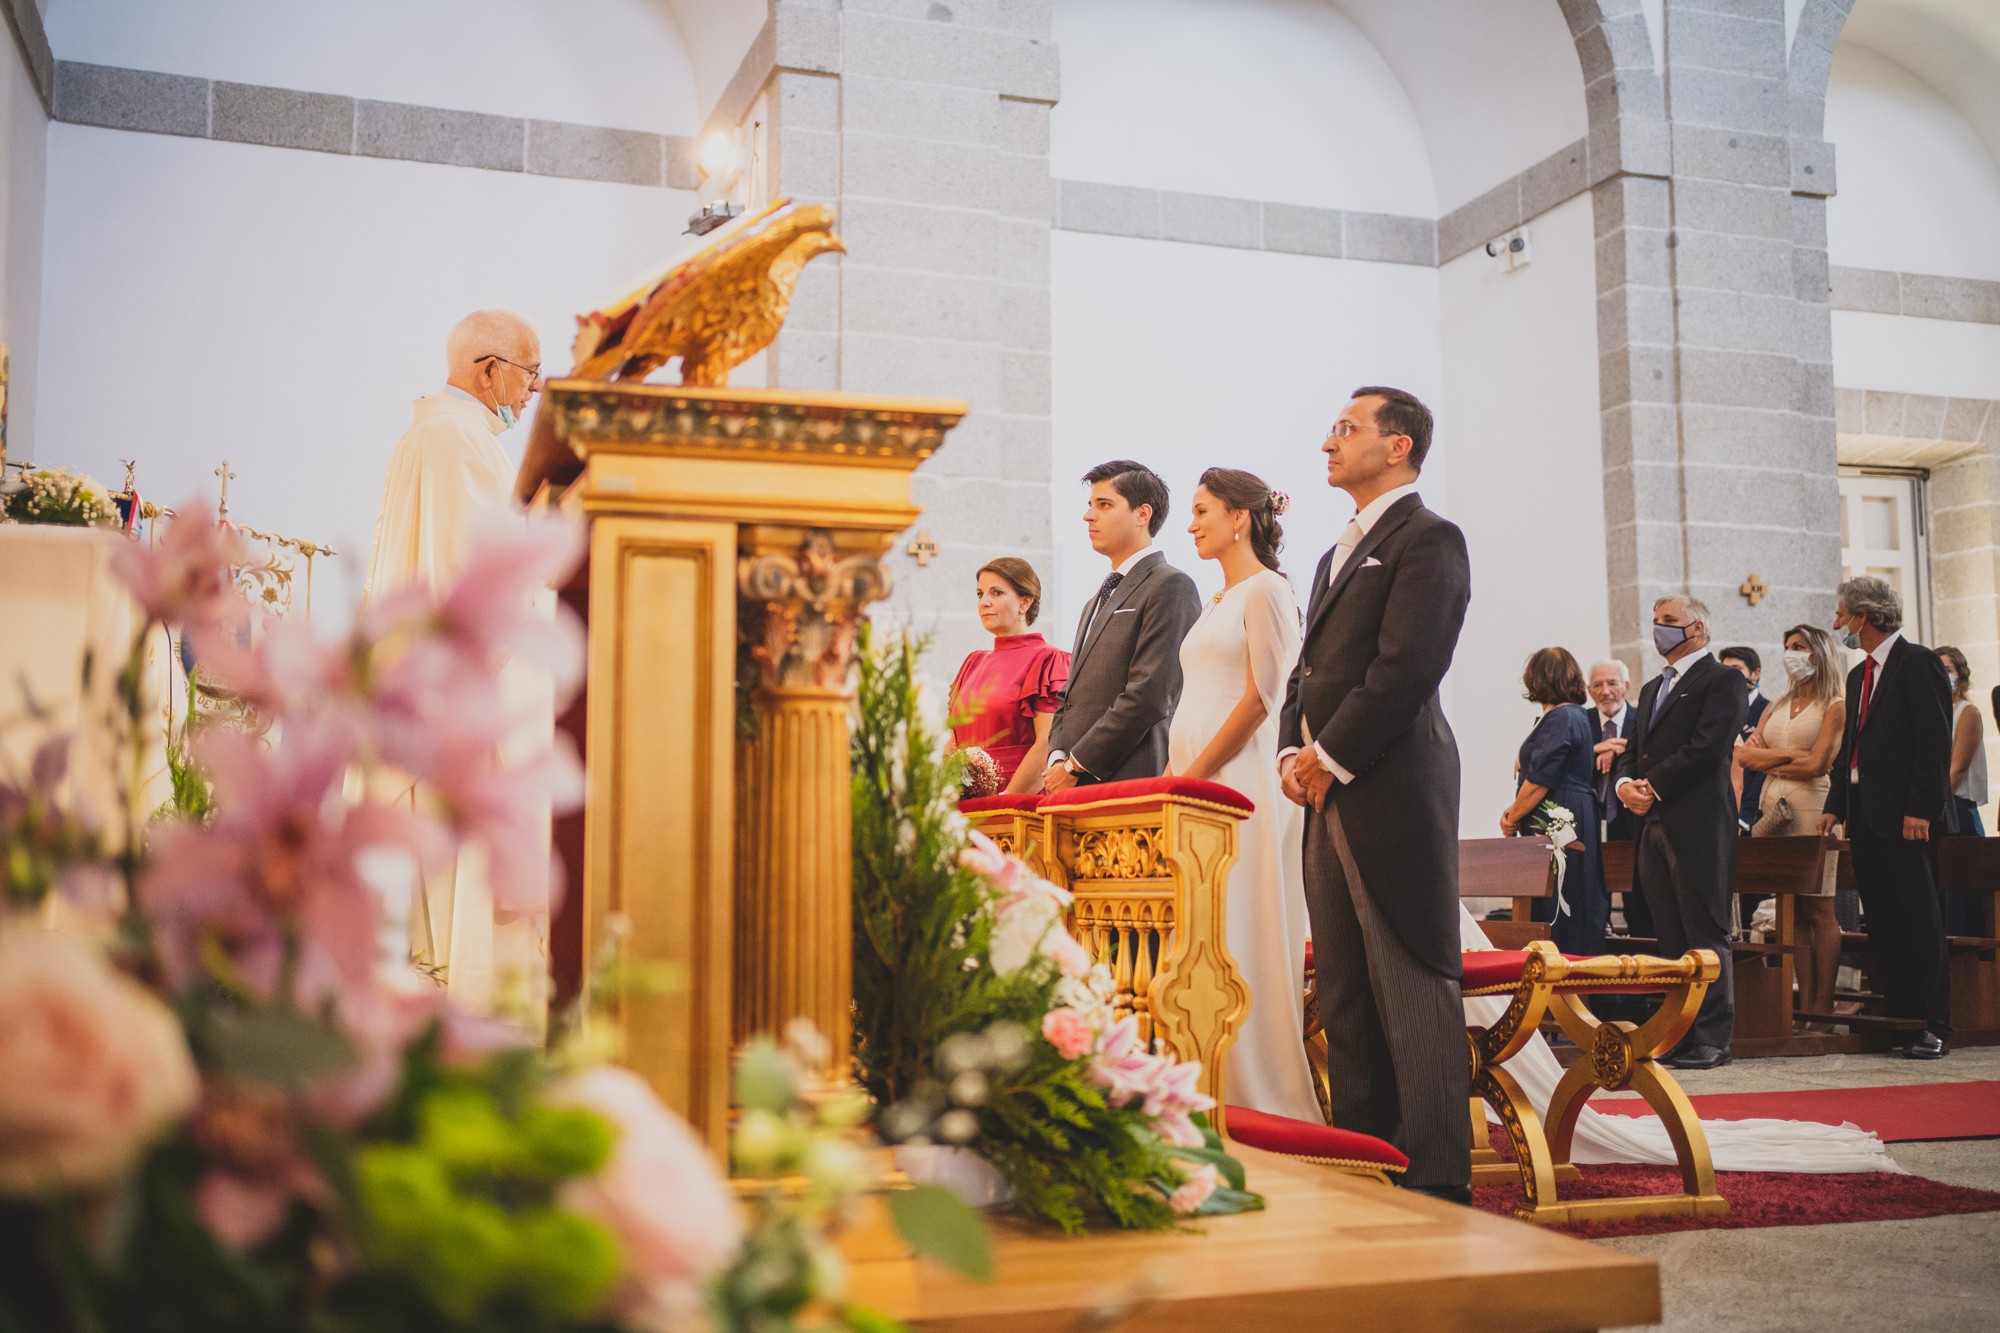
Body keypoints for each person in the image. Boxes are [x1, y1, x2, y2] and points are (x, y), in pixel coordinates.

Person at [1277, 386, 1472, 1202]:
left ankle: (1434, 1183)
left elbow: (1408, 665)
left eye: (1346, 428)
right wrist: (1292, 745)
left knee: (1410, 981)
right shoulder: (1334, 553)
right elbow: (1310, 666)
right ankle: (1368, 1167)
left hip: (1388, 785)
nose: (1329, 441)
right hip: (1326, 792)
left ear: (1397, 446)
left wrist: (1329, 753)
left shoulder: (1429, 538)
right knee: (1349, 993)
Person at [364, 307, 546, 1015]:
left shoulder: (440, 434)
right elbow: (473, 581)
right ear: (489, 369)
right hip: (463, 706)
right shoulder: (453, 440)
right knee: (461, 897)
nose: (534, 390)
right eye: (530, 373)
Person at [1166, 468, 1321, 1120]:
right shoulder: (1217, 599)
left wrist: (1197, 770)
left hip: (1238, 779)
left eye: (1203, 510)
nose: (1192, 522)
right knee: (1205, 926)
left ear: (1240, 517)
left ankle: (1262, 1086)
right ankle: (1210, 1069)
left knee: (1240, 920)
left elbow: (1267, 696)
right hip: (1200, 776)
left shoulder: (1266, 590)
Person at [1819, 576, 1954, 1060]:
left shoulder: (1918, 664)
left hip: (1905, 818)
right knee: (1886, 921)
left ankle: (1934, 1022)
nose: (1838, 624)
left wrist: (1922, 808)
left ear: (1865, 616)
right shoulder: (1858, 675)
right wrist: (1835, 804)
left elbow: (1935, 744)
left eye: (1842, 614)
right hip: (1866, 816)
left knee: (1919, 918)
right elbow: (1850, 750)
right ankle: (1902, 1019)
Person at [1614, 594, 1746, 1070]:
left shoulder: (1722, 679)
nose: (1658, 629)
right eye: (1655, 621)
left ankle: (1713, 1038)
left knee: (1704, 933)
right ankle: (1680, 1034)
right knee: (1670, 938)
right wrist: (1626, 783)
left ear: (1697, 629)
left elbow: (1709, 747)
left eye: (1668, 621)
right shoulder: (1652, 688)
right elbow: (1633, 749)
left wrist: (1652, 784)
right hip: (1651, 823)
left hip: (1697, 823)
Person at [1042, 462, 1201, 792]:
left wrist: (1077, 763)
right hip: (1071, 784)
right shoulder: (1094, 601)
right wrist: (1057, 757)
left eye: (1104, 505)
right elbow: (1067, 697)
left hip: (1129, 776)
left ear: (1143, 513)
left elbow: (1150, 693)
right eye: (1090, 505)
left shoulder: (1170, 585)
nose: (1089, 516)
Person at [1735, 625, 1847, 1031]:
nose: (1790, 653)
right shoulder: (1777, 703)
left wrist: (1774, 756)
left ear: (1818, 653)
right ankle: (1805, 1007)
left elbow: (1818, 764)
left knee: (1819, 906)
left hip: (1813, 806)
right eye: (1787, 647)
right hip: (1774, 807)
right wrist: (1790, 756)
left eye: (1799, 647)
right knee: (1791, 908)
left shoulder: (1834, 704)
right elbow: (1746, 756)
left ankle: (1825, 1006)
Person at [1501, 648, 1607, 956]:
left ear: (1539, 678)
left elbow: (1540, 780)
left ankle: (1559, 972)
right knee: (1565, 894)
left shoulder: (1561, 716)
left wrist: (1511, 816)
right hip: (1568, 811)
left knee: (1563, 897)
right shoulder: (1569, 715)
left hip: (1561, 814)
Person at [948, 560, 1070, 794]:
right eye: (980, 594)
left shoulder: (1049, 660)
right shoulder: (973, 663)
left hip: (1019, 800)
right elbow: (953, 741)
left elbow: (1047, 743)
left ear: (1025, 602)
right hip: (965, 801)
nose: (984, 602)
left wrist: (1006, 801)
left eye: (996, 592)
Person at [1936, 646, 1988, 838]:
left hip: (1956, 807)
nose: (1942, 675)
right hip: (1934, 806)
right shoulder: (1930, 715)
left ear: (1960, 675)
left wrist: (1930, 805)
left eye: (1948, 670)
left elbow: (1957, 770)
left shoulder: (1966, 712)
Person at [1720, 645, 1772, 835]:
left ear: (1755, 673)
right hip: (1721, 813)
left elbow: (1762, 770)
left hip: (1751, 814)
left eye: (1736, 670)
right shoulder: (1719, 712)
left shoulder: (1767, 711)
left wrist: (1745, 817)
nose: (1730, 677)